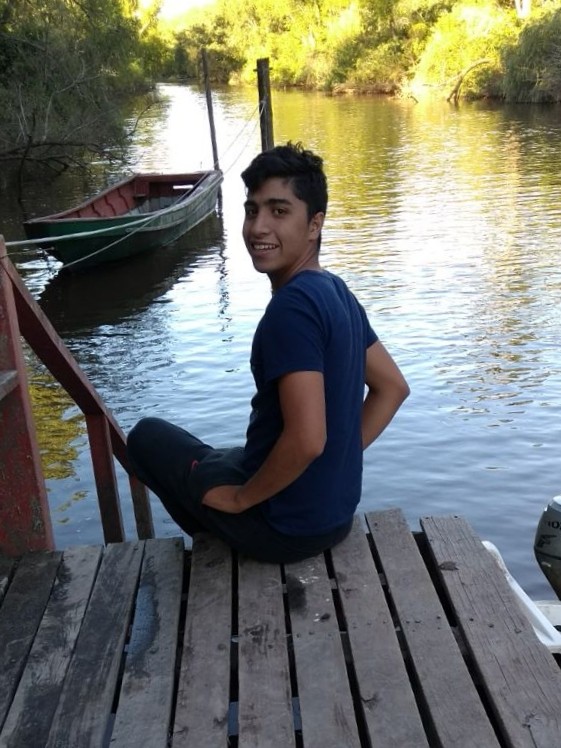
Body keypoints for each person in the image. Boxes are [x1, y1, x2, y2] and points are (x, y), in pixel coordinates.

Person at [127, 142, 409, 563]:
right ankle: (229, 512)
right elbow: (393, 388)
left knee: (146, 438)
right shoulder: (335, 291)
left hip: (282, 530)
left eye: (279, 211)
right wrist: (338, 463)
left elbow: (308, 439)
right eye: (252, 210)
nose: (258, 227)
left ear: (314, 225)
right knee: (218, 458)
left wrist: (241, 499)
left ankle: (224, 537)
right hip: (334, 518)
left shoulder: (291, 310)